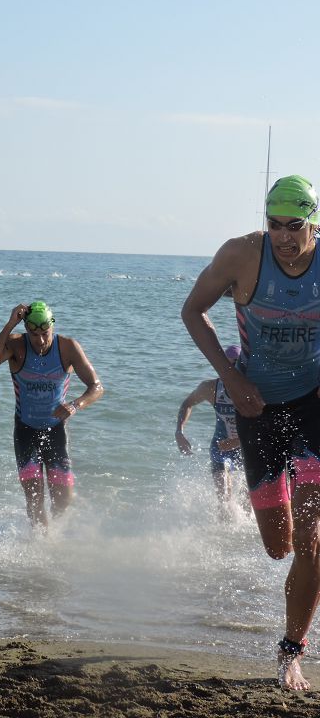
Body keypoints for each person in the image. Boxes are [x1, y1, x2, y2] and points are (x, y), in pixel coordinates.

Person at [182, 174, 320, 690]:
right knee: (278, 545)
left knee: (310, 538)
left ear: (313, 222)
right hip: (256, 408)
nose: (285, 236)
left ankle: (291, 652)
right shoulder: (241, 256)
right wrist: (231, 376)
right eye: (275, 225)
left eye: (296, 226)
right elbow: (192, 311)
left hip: (313, 407)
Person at [0, 301, 104, 530]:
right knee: (34, 499)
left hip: (55, 430)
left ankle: (55, 535)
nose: (41, 340)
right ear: (26, 329)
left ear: (52, 325)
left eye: (45, 333)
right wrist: (9, 325)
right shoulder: (16, 345)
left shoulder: (67, 348)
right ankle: (40, 545)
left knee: (63, 499)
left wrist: (75, 405)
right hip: (25, 430)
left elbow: (96, 387)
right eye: (34, 334)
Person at [174, 344, 245, 509]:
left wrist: (237, 442)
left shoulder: (251, 390)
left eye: (236, 364)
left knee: (248, 503)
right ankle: (220, 533)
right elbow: (187, 403)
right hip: (220, 448)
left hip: (246, 449)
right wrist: (179, 431)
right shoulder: (211, 388)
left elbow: (266, 425)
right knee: (224, 499)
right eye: (227, 364)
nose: (231, 369)